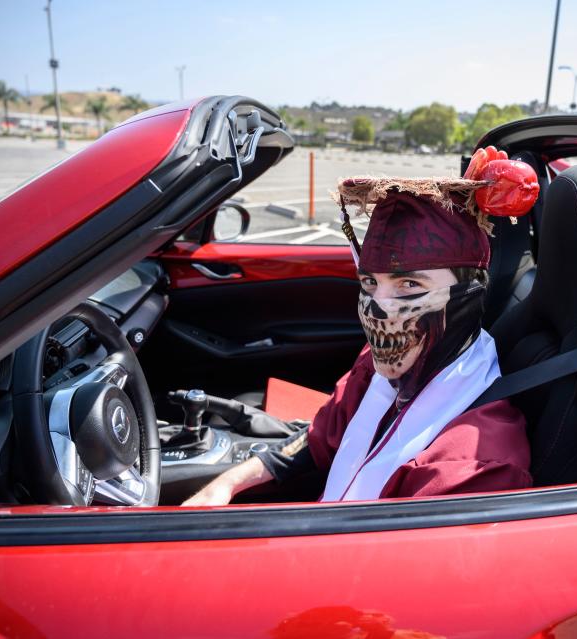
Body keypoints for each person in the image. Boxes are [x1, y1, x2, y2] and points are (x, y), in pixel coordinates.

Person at [183, 149, 538, 505]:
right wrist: (226, 484)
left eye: (409, 286)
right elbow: (322, 436)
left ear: (469, 293)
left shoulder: (475, 469)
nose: (378, 308)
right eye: (370, 283)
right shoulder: (383, 363)